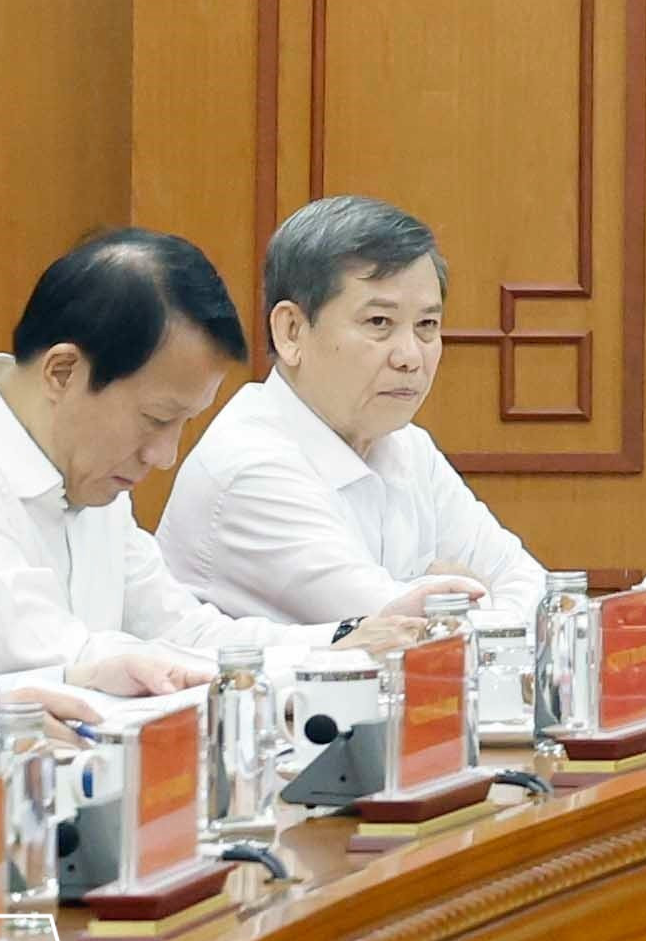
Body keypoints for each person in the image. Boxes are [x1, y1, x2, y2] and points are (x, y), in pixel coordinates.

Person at [0, 229, 402, 692]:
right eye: (155, 419)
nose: (165, 454)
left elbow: (184, 632)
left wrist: (342, 643)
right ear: (62, 372)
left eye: (183, 424)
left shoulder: (85, 473)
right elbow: (64, 671)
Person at [158, 196, 548, 626]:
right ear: (291, 331)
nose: (410, 357)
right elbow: (403, 635)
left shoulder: (406, 445)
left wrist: (453, 600)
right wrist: (455, 596)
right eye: (379, 323)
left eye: (427, 326)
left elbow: (535, 590)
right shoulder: (251, 468)